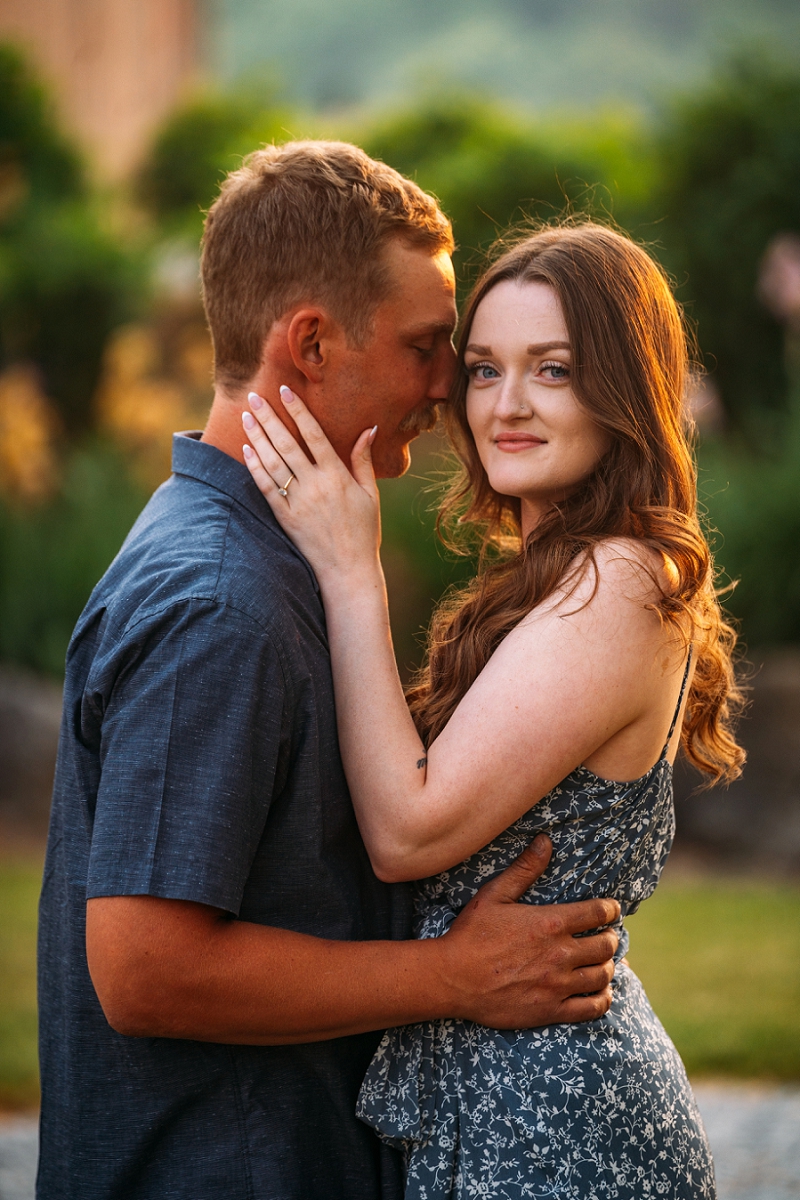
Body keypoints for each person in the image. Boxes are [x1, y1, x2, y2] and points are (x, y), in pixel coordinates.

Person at [36, 145, 623, 1200]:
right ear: (309, 343)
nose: (451, 388)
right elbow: (143, 970)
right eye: (424, 348)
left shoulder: (257, 552)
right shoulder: (221, 602)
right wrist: (454, 976)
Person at [241, 222, 745, 1199]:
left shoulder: (622, 580)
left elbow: (408, 831)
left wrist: (351, 572)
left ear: (621, 391)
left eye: (550, 371)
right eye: (481, 370)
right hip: (500, 1100)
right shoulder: (550, 577)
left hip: (560, 1127)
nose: (504, 405)